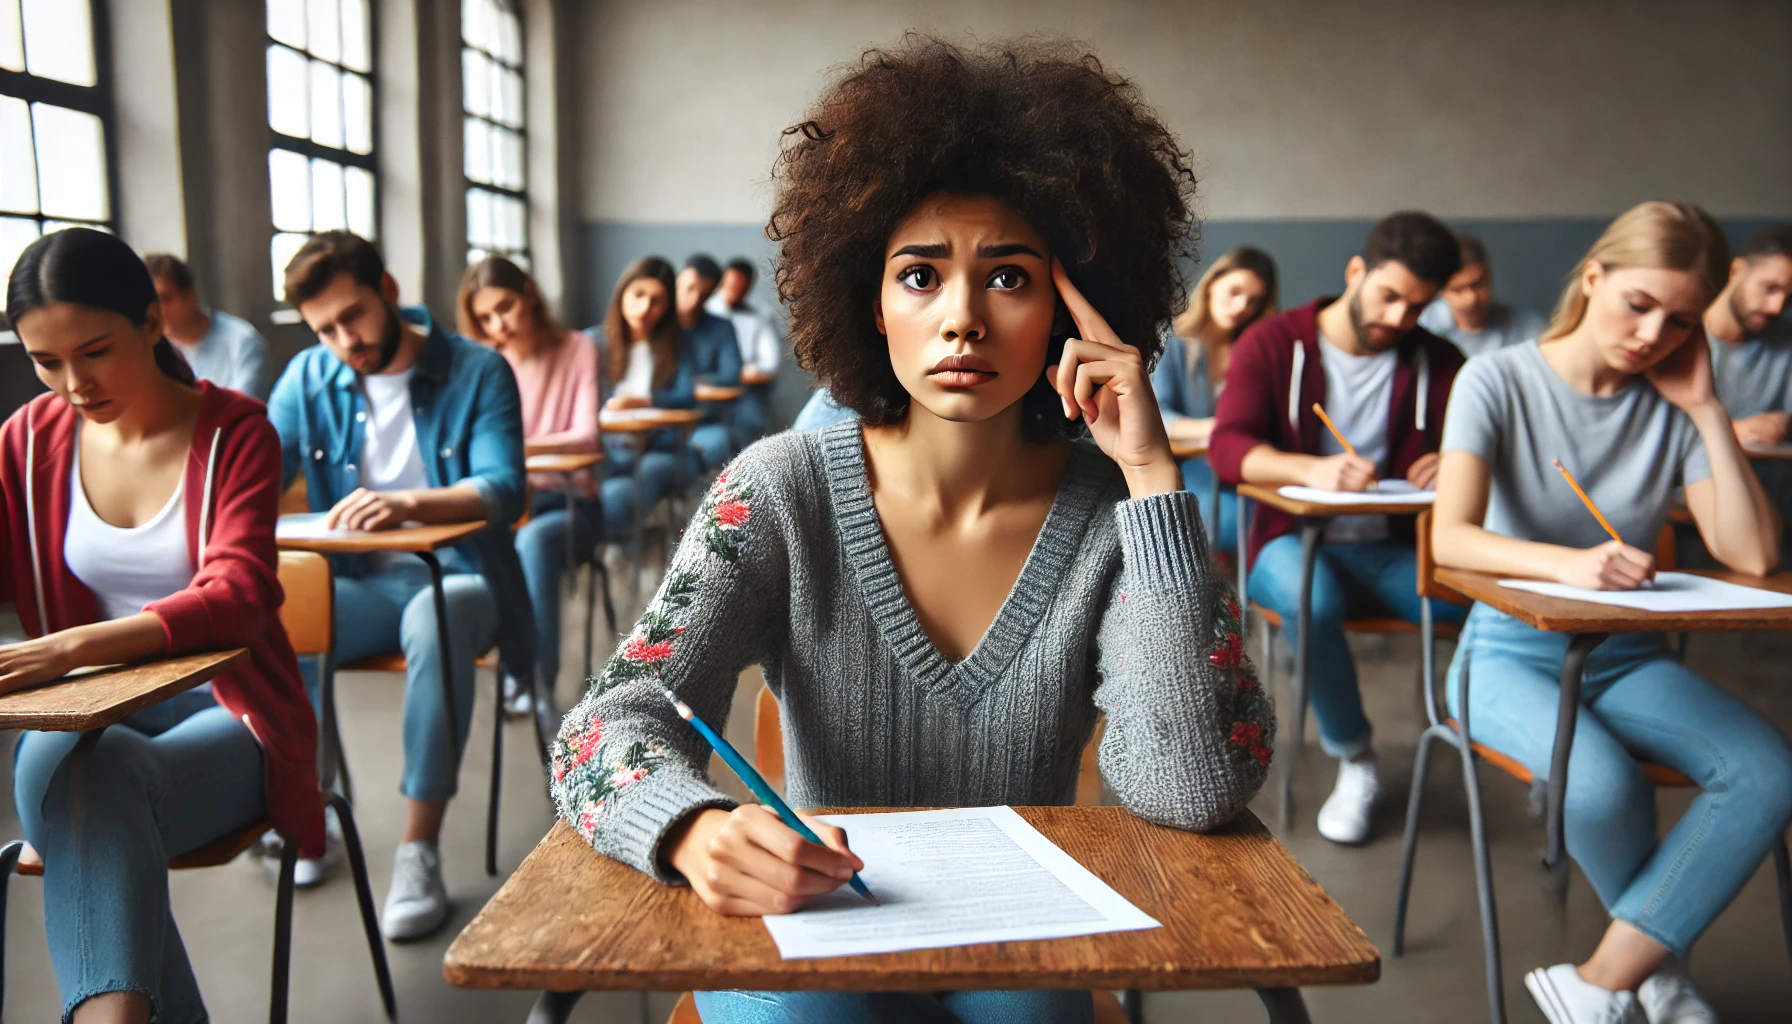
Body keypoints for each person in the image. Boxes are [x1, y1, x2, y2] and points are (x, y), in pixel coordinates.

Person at [549, 37, 1270, 1024]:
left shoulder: (1114, 516)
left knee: (1034, 1015)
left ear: (1077, 307)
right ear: (868, 300)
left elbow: (1195, 786)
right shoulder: (777, 493)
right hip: (817, 920)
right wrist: (687, 826)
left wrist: (1150, 476)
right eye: (920, 276)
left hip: (1017, 935)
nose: (963, 317)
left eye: (1010, 279)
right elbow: (601, 721)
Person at [1432, 201, 1791, 1024]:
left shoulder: (1673, 398)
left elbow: (1752, 554)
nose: (1652, 335)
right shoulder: (1497, 377)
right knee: (1598, 786)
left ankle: (1603, 980)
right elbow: (1452, 538)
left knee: (1767, 771)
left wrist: (1706, 408)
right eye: (1638, 305)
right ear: (1593, 278)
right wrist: (1573, 565)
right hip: (1504, 653)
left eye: (1680, 321)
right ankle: (1656, 973)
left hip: (1628, 659)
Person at [1, 228, 324, 1022]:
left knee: (95, 785)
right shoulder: (26, 442)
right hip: (96, 714)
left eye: (94, 351)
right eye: (46, 362)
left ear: (152, 323)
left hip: (236, 713)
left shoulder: (236, 431)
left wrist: (73, 647)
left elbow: (242, 592)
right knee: (68, 764)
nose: (72, 383)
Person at [267, 230, 532, 940]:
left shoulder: (478, 370)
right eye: (323, 328)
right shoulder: (305, 379)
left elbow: (503, 488)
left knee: (438, 615)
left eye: (352, 315)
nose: (342, 339)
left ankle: (420, 848)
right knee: (278, 614)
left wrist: (409, 503)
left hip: (461, 576)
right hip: (357, 582)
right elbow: (255, 480)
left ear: (388, 291)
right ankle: (311, 811)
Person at [1210, 211, 1468, 845]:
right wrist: (1309, 470)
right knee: (1310, 599)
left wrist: (1456, 463)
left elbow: (1478, 454)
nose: (1400, 319)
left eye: (1418, 308)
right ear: (1356, 272)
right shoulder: (1272, 343)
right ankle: (1356, 759)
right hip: (1287, 541)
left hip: (1394, 548)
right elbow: (1227, 446)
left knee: (1484, 603)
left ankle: (1510, 738)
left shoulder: (1441, 360)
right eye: (1390, 297)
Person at [458, 255, 601, 717]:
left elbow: (586, 436)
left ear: (530, 296)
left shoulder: (579, 347)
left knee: (535, 542)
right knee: (479, 546)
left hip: (569, 503)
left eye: (505, 307)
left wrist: (512, 451)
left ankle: (537, 681)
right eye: (485, 317)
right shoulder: (484, 364)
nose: (498, 323)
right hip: (509, 505)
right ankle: (514, 670)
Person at [1150, 246, 1278, 552]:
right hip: (1192, 466)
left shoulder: (1255, 351)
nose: (1241, 306)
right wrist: (1220, 428)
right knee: (1238, 522)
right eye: (1234, 291)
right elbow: (1157, 419)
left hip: (1247, 466)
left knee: (1276, 517)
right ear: (1213, 284)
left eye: (1254, 301)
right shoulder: (1172, 339)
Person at [591, 256, 698, 549]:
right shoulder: (594, 343)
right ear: (622, 293)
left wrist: (638, 402)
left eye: (656, 300)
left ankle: (634, 557)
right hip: (608, 453)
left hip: (662, 449)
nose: (645, 308)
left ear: (667, 307)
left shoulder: (678, 345)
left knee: (641, 478)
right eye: (638, 295)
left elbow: (687, 399)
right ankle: (629, 552)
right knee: (610, 490)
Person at [1705, 224, 1792, 517]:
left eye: (1788, 297)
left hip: (1769, 510)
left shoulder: (1787, 343)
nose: (1777, 306)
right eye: (1770, 288)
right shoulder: (1680, 335)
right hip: (1682, 506)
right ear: (1736, 271)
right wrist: (1732, 431)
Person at [143, 251, 273, 400]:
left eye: (164, 299)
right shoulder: (148, 350)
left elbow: (243, 408)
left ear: (190, 294)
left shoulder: (243, 342)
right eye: (149, 303)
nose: (157, 311)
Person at [1418, 233, 1546, 358]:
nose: (1471, 299)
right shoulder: (1421, 327)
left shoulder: (1528, 329)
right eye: (1458, 290)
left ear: (1489, 277)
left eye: (1478, 285)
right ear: (1441, 290)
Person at [677, 254, 743, 472]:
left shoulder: (721, 328)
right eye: (689, 288)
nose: (694, 299)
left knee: (722, 442)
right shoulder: (660, 331)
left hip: (705, 422)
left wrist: (684, 385)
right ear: (678, 282)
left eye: (703, 293)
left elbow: (731, 375)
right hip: (662, 426)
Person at [707, 256, 784, 443]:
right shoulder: (707, 312)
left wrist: (736, 374)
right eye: (731, 283)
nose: (734, 289)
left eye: (740, 285)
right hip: (708, 387)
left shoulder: (759, 316)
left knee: (750, 423)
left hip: (746, 388)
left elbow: (769, 366)